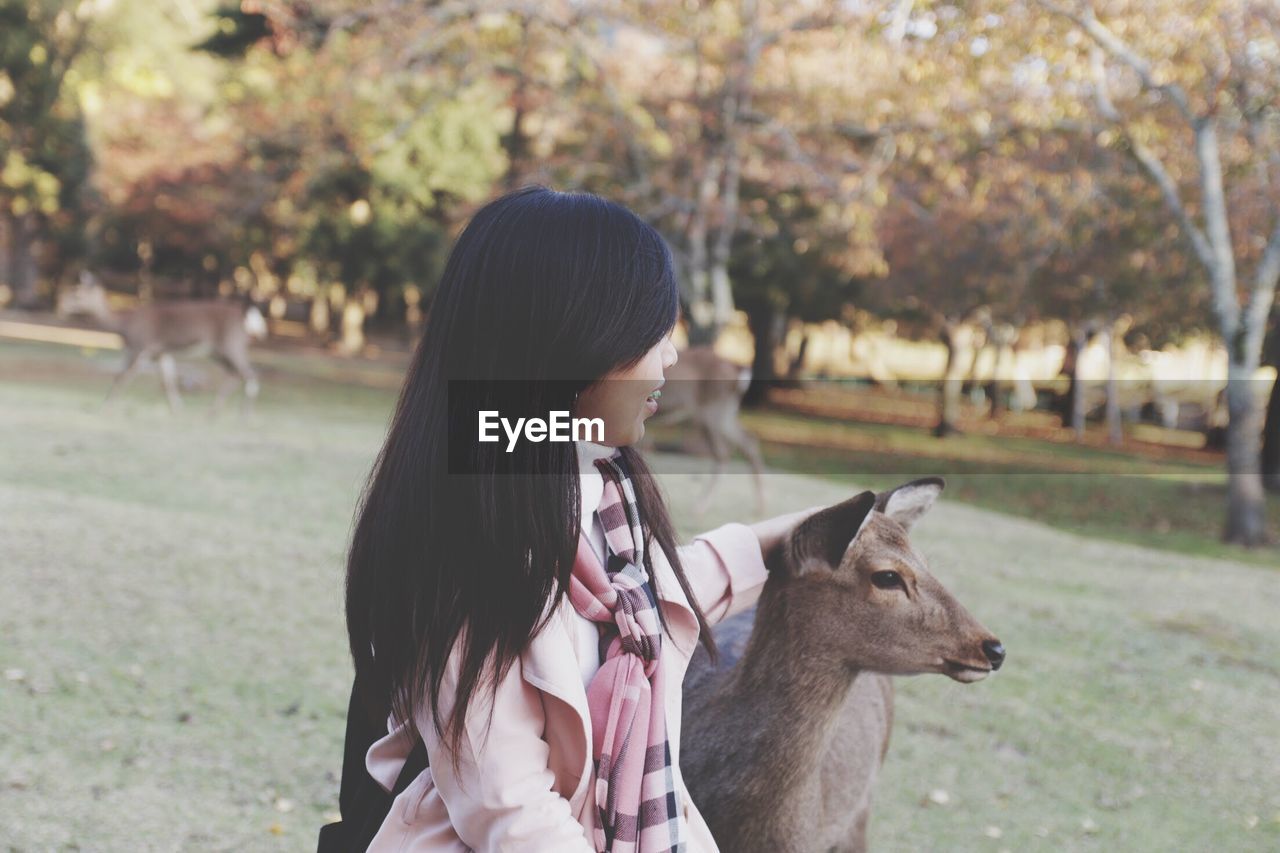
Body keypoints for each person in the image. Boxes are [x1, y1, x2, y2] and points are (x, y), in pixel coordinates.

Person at [341, 185, 821, 851]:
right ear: (577, 337)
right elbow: (512, 813)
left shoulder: (591, 489)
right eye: (654, 330)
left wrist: (793, 538)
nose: (672, 357)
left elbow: (645, 593)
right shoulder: (472, 551)